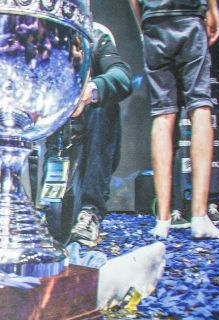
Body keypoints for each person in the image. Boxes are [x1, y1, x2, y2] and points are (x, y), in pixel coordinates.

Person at [129, 0, 219, 240]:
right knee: (200, 105)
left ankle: (162, 220)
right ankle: (199, 217)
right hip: (188, 13)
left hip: (153, 17)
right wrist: (212, 9)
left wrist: (144, 21)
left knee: (163, 113)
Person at [61, 20, 135, 247]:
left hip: (93, 138)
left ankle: (90, 211)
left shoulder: (96, 34)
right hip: (56, 132)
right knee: (57, 222)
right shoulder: (41, 32)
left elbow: (122, 76)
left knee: (103, 104)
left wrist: (91, 91)